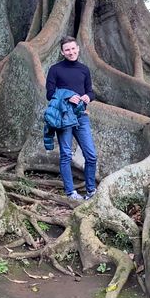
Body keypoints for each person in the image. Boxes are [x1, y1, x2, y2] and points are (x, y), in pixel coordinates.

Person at [45, 36, 97, 204]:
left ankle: (91, 190)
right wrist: (68, 96)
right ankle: (70, 192)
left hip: (81, 117)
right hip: (64, 117)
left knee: (91, 155)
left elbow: (91, 91)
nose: (71, 52)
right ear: (62, 52)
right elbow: (49, 94)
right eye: (67, 50)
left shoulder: (84, 69)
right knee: (66, 155)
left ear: (78, 49)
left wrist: (88, 97)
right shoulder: (55, 69)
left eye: (73, 49)